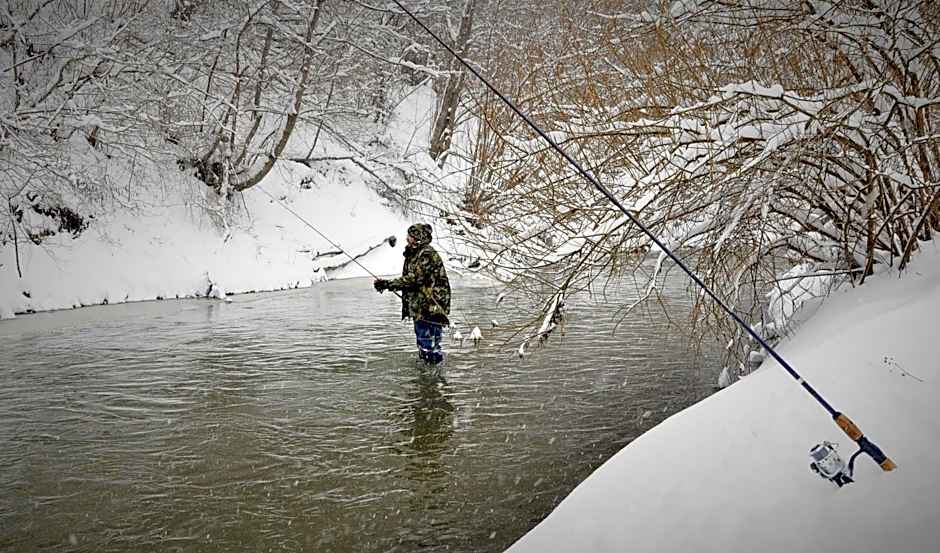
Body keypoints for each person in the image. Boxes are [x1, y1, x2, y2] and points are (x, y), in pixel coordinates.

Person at [373, 223, 451, 364]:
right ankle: (429, 377)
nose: (407, 238)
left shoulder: (426, 253)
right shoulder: (415, 253)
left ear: (417, 237)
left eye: (410, 236)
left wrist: (388, 284)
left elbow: (414, 279)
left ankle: (432, 377)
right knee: (425, 343)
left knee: (430, 344)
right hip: (422, 304)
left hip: (431, 305)